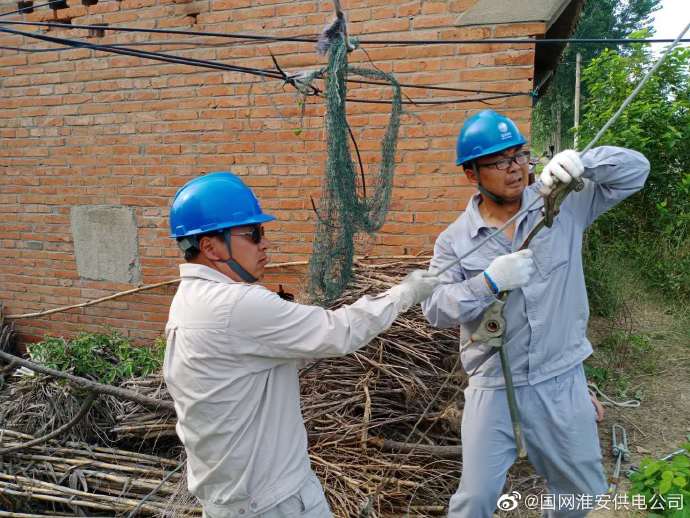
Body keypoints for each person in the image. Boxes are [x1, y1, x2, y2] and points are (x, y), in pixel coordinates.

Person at [163, 171, 439, 518]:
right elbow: (339, 331)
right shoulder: (236, 305)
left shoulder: (187, 301)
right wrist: (405, 293)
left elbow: (248, 366)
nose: (264, 244)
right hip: (275, 502)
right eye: (253, 234)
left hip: (228, 502)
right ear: (210, 247)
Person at [421, 110, 649, 517]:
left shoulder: (563, 203)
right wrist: (487, 283)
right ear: (471, 174)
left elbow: (636, 171)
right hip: (492, 385)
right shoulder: (455, 241)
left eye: (519, 155)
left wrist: (584, 162)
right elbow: (434, 309)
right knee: (475, 500)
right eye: (498, 161)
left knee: (581, 493)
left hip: (561, 378)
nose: (515, 168)